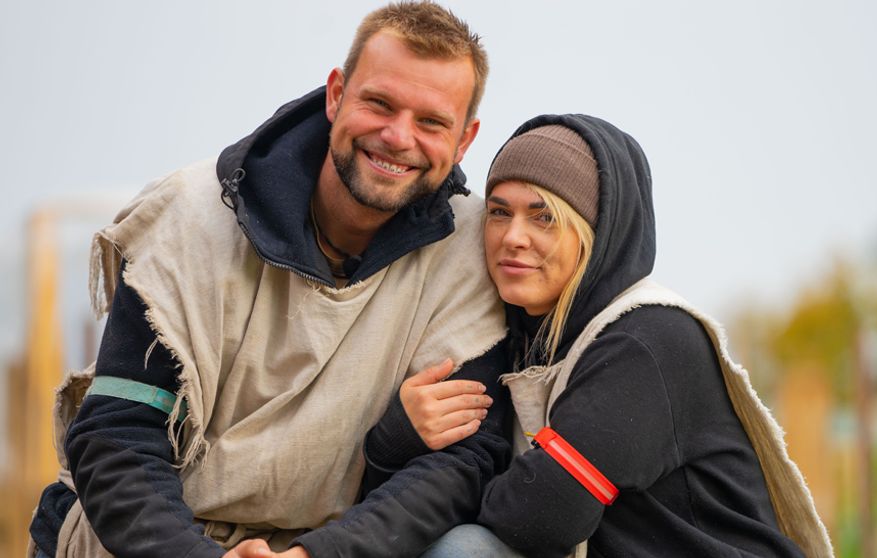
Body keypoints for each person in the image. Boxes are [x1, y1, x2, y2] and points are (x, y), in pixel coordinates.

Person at [27, 2, 515, 557]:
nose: (398, 136)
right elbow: (118, 437)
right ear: (336, 94)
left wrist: (317, 555)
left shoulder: (470, 248)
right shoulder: (190, 218)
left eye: (430, 122)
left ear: (465, 139)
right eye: (378, 103)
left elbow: (457, 464)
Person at [367, 115, 835, 557]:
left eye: (543, 216)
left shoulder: (647, 340)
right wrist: (398, 437)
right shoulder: (516, 341)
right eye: (498, 212)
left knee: (467, 550)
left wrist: (469, 493)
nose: (512, 237)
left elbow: (544, 516)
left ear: (597, 232)